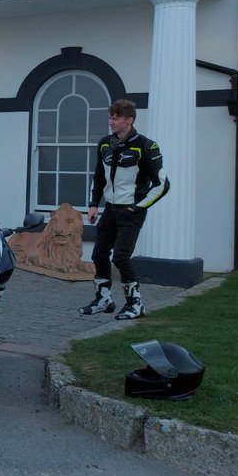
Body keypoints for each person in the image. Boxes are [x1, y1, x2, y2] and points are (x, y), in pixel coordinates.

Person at [79, 99, 169, 320]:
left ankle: (135, 304)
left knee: (120, 257)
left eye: (116, 118)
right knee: (98, 254)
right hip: (109, 210)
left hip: (131, 212)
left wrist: (137, 207)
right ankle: (104, 299)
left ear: (129, 120)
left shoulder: (147, 146)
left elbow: (162, 185)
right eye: (110, 117)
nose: (111, 121)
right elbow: (98, 177)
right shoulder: (104, 144)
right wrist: (93, 205)